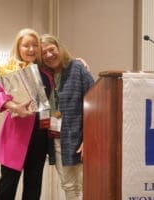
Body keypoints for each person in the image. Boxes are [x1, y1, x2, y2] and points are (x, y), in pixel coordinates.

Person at [0, 28, 52, 200]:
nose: (31, 49)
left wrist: (79, 60)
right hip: (15, 136)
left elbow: (63, 62)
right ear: (18, 47)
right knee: (7, 186)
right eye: (26, 46)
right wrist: (13, 107)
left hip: (39, 137)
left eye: (34, 45)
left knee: (33, 187)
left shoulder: (46, 72)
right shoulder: (9, 69)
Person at [40, 34, 94, 200]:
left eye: (52, 49)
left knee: (86, 185)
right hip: (56, 140)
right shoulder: (43, 75)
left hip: (79, 139)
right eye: (44, 53)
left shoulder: (77, 68)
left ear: (59, 48)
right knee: (68, 185)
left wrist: (88, 139)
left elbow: (95, 105)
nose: (49, 55)